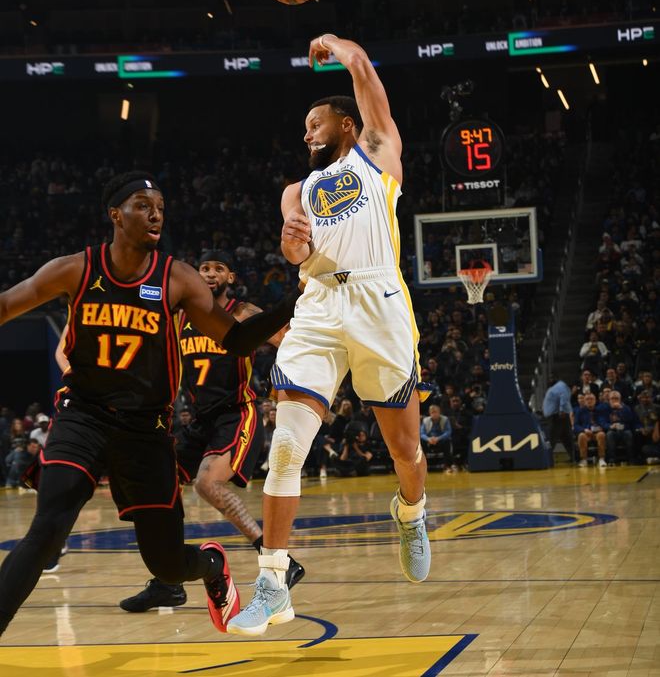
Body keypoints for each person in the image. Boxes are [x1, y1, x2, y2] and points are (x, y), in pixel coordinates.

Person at [0, 171, 301, 638]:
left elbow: (238, 340)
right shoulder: (75, 269)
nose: (155, 214)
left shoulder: (176, 278)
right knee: (47, 529)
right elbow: (6, 305)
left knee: (167, 563)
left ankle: (211, 566)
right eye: (143, 205)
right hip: (83, 417)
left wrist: (292, 303)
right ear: (116, 215)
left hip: (145, 432)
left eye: (160, 206)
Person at [228, 33, 431, 637]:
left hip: (378, 300)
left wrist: (338, 45)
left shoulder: (378, 152)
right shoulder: (297, 190)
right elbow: (296, 250)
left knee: (405, 450)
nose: (307, 135)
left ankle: (411, 511)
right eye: (303, 129)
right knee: (286, 448)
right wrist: (292, 243)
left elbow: (365, 72)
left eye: (314, 124)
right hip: (317, 304)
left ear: (347, 124)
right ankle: (272, 583)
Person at [119, 250, 304, 612]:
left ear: (230, 278)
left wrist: (285, 390)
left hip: (237, 413)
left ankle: (279, 559)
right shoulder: (182, 317)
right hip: (200, 419)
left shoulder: (244, 313)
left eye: (218, 268)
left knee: (206, 483)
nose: (209, 273)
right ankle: (168, 581)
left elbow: (292, 344)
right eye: (204, 268)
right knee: (158, 485)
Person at [542, 376, 574, 461]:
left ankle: (546, 459)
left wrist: (562, 410)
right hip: (556, 416)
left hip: (558, 416)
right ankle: (574, 457)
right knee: (566, 438)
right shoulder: (556, 388)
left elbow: (563, 397)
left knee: (553, 438)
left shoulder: (559, 386)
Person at [574, 392, 608, 468]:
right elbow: (576, 425)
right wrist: (584, 430)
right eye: (587, 399)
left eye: (591, 399)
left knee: (601, 435)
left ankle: (601, 458)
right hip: (586, 433)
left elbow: (604, 422)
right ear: (584, 401)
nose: (589, 401)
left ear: (595, 400)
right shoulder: (580, 411)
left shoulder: (600, 410)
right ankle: (584, 459)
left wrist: (601, 427)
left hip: (597, 432)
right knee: (581, 436)